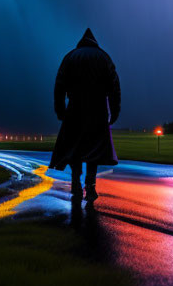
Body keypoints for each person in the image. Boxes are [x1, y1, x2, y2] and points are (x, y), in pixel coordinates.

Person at [49, 28, 121, 204]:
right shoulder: (104, 58)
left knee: (75, 148)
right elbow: (114, 87)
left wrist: (60, 110)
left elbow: (59, 86)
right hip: (97, 110)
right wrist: (114, 111)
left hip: (75, 109)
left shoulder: (70, 57)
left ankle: (75, 183)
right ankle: (90, 186)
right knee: (94, 150)